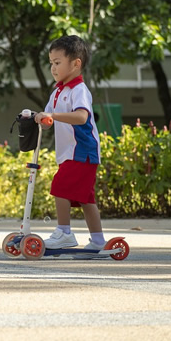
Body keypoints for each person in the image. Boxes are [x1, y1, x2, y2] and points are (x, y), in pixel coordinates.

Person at [34, 35, 107, 256]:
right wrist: (35, 118)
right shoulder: (57, 91)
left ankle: (64, 232)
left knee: (60, 186)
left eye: (57, 63)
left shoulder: (79, 90)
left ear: (76, 63)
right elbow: (48, 121)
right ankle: (98, 241)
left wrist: (52, 115)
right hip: (69, 153)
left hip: (82, 151)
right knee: (86, 198)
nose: (53, 68)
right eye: (51, 63)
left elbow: (82, 117)